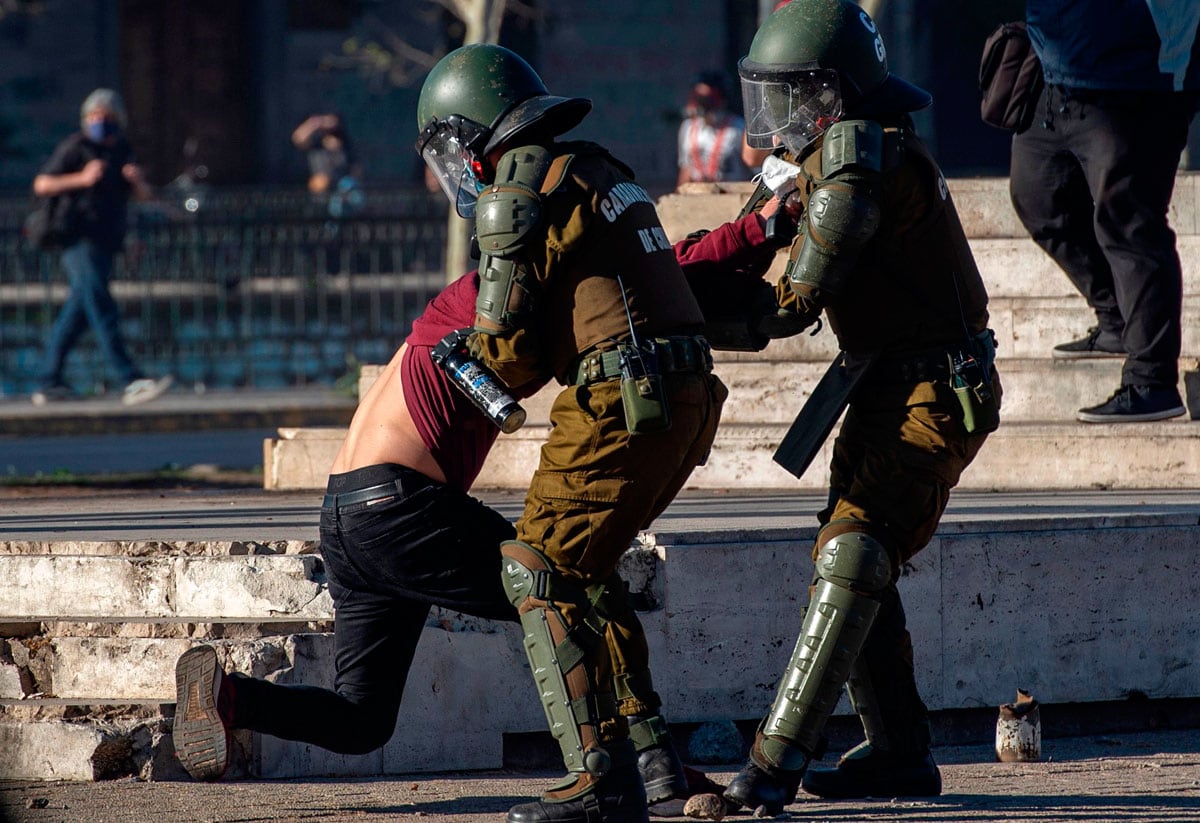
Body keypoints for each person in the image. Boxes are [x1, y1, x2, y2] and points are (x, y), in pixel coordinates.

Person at [173, 119, 787, 823]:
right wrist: (752, 235)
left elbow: (652, 277)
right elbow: (663, 273)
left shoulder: (455, 304)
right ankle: (651, 773)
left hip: (346, 512)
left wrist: (752, 235)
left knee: (362, 717)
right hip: (403, 505)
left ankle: (229, 697)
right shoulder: (489, 293)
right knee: (566, 586)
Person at [415, 44, 739, 823]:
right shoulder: (590, 166)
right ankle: (654, 759)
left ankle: (597, 779)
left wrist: (463, 356)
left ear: (470, 137)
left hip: (622, 397)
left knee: (535, 567)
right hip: (681, 394)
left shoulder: (515, 188)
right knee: (584, 569)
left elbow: (508, 353)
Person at [717, 0, 1002, 815]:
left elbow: (791, 308)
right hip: (889, 381)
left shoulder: (856, 162)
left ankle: (773, 766)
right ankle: (901, 754)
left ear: (831, 96)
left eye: (791, 100)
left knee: (854, 551)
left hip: (933, 388)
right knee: (853, 544)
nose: (777, 123)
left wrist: (685, 317)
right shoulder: (833, 159)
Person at [1009, 2, 1199, 423]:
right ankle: (1116, 319)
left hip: (1137, 79)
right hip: (1054, 72)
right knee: (1037, 197)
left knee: (1130, 225)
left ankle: (1152, 382)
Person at [29, 88, 173, 407]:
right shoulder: (76, 148)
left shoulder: (122, 149)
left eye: (106, 118)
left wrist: (137, 182)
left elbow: (143, 196)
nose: (100, 123)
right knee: (102, 305)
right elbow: (42, 184)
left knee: (78, 312)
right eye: (95, 117)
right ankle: (130, 377)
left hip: (106, 240)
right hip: (77, 238)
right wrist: (80, 179)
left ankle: (47, 379)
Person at [676, 72, 750, 186]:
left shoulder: (738, 128)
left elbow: (752, 168)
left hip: (731, 194)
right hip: (697, 193)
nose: (703, 105)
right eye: (699, 99)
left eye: (708, 100)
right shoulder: (688, 128)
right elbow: (686, 168)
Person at [291, 112, 358, 196]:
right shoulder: (316, 142)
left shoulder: (344, 140)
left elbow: (355, 167)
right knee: (320, 182)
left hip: (342, 185)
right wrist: (314, 123)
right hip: (321, 185)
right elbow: (298, 139)